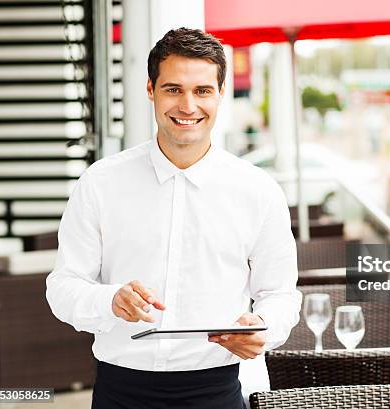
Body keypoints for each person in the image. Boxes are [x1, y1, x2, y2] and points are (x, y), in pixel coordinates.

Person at [46, 28, 301, 409]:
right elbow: (63, 287)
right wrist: (109, 300)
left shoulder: (258, 189)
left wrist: (262, 326)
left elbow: (280, 293)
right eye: (173, 89)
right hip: (120, 390)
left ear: (220, 93)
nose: (187, 105)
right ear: (150, 89)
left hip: (217, 391)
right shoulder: (100, 182)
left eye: (201, 91)